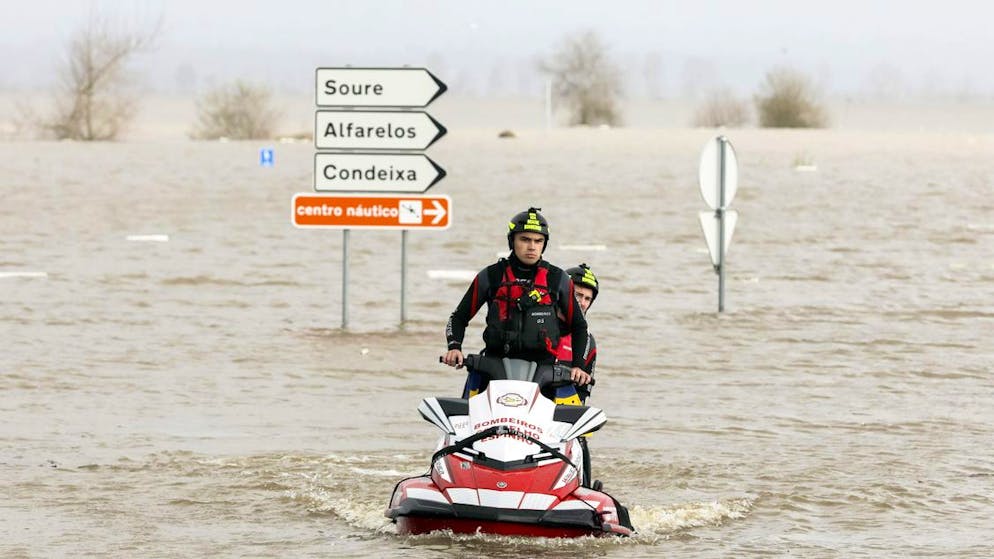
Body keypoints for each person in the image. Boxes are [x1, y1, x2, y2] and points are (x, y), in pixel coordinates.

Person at [443, 207, 591, 397]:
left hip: (544, 373)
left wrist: (578, 366)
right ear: (512, 240)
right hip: (492, 367)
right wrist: (454, 347)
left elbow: (580, 326)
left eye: (538, 241)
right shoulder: (491, 276)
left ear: (544, 245)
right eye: (525, 239)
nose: (532, 247)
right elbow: (458, 317)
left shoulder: (558, 279)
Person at [555, 263, 599, 405]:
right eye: (578, 295)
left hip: (559, 410)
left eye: (588, 299)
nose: (582, 302)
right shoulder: (538, 323)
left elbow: (581, 397)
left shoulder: (588, 342)